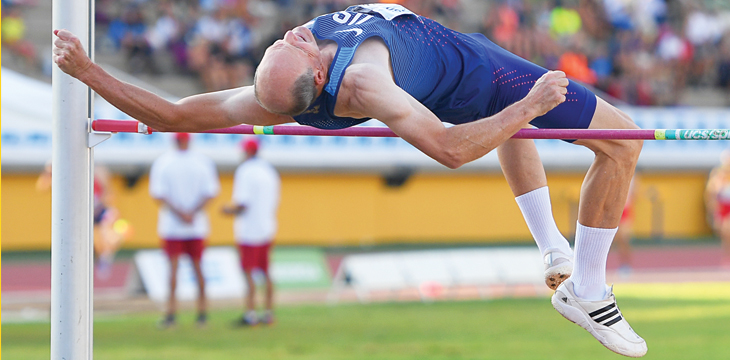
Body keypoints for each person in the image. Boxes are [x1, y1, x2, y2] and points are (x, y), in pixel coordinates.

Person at [53, 3, 645, 356]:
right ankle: (589, 288)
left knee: (514, 130)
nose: (292, 33)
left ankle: (554, 254)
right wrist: (530, 106)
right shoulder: (363, 81)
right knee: (621, 143)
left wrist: (86, 71)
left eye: (283, 41)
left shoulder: (277, 92)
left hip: (460, 53)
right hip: (482, 75)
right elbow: (449, 149)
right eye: (294, 44)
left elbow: (174, 113)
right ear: (318, 71)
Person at [149, 132, 220, 329]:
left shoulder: (164, 162)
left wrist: (181, 213)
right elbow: (210, 192)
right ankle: (201, 313)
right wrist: (191, 213)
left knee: (175, 270)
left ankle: (173, 313)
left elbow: (158, 194)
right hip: (193, 223)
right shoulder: (202, 162)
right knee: (196, 268)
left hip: (174, 224)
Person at [221, 138, 281, 326]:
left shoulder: (245, 171)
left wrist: (227, 210)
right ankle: (269, 313)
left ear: (247, 152)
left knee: (248, 273)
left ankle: (250, 314)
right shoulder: (269, 171)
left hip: (249, 230)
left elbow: (242, 204)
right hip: (267, 226)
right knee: (266, 272)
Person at [36, 162, 129, 279]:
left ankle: (105, 257)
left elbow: (109, 194)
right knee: (78, 240)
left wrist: (107, 208)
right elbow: (42, 187)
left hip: (98, 209)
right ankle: (76, 264)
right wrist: (48, 173)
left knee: (109, 232)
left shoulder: (99, 171)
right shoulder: (69, 170)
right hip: (80, 212)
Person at [705, 150, 730, 268]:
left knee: (727, 228)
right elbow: (710, 194)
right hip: (722, 207)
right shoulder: (718, 175)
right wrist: (712, 211)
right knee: (725, 234)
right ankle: (727, 256)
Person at [613, 174, 639, 275]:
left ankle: (626, 265)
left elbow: (634, 194)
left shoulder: (633, 177)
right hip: (614, 209)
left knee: (624, 239)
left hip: (625, 210)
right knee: (616, 240)